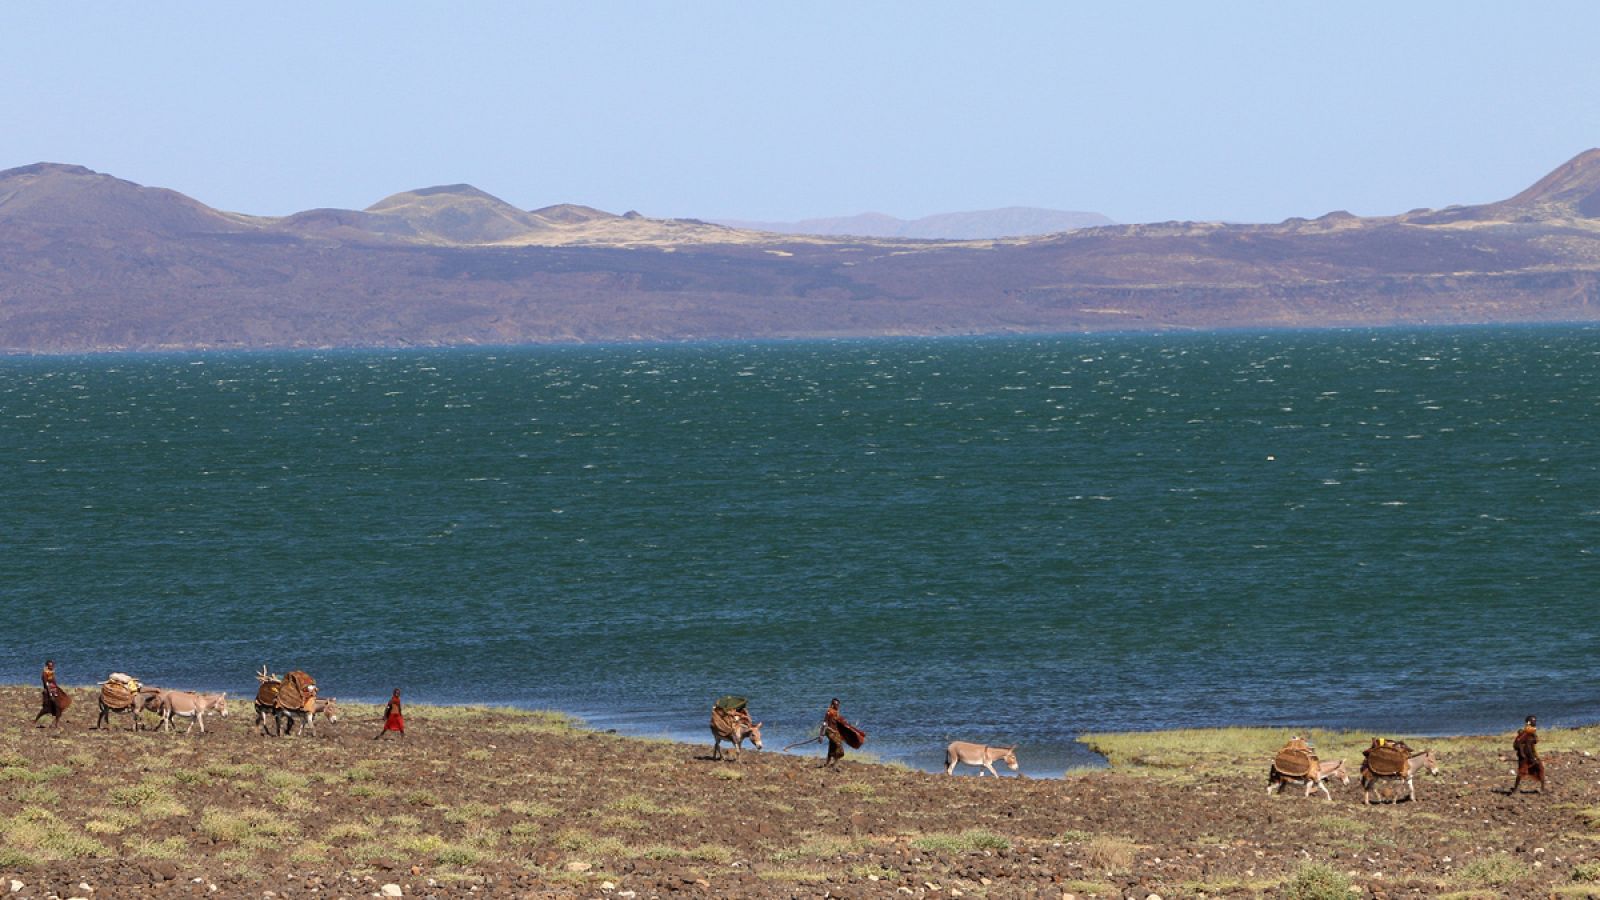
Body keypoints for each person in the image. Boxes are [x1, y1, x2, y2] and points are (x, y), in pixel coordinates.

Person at [1509, 715, 1544, 794]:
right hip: (1526, 756)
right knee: (1522, 772)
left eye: (1535, 720)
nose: (1535, 722)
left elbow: (1531, 744)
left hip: (1531, 755)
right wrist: (1531, 757)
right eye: (1533, 720)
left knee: (1540, 769)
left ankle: (1543, 789)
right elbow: (1525, 745)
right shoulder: (1527, 733)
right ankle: (1515, 789)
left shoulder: (1531, 731)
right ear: (1528, 722)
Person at [34, 660, 71, 728]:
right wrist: (50, 693)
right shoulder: (44, 673)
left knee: (62, 699)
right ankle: (37, 720)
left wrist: (57, 687)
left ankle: (56, 722)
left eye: (52, 665)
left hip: (53, 687)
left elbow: (53, 680)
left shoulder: (51, 672)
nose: (52, 667)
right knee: (51, 705)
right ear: (47, 666)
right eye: (50, 666)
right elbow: (46, 683)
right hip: (49, 688)